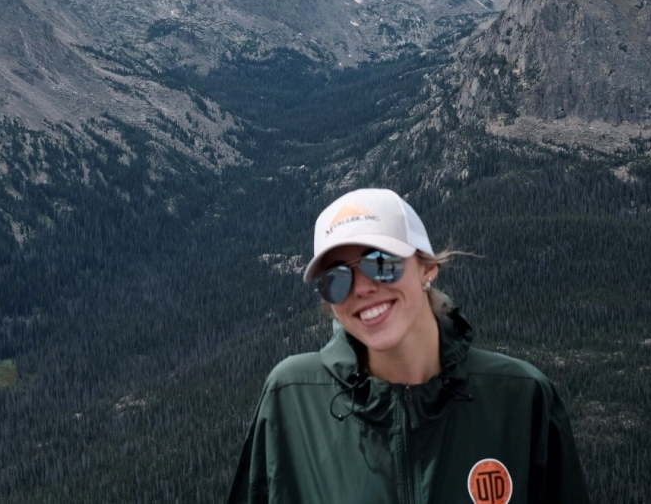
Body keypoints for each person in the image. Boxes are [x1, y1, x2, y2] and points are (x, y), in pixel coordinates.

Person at [229, 188, 590, 504]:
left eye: (381, 263)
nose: (361, 288)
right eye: (336, 279)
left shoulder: (520, 399)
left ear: (427, 268)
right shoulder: (292, 398)